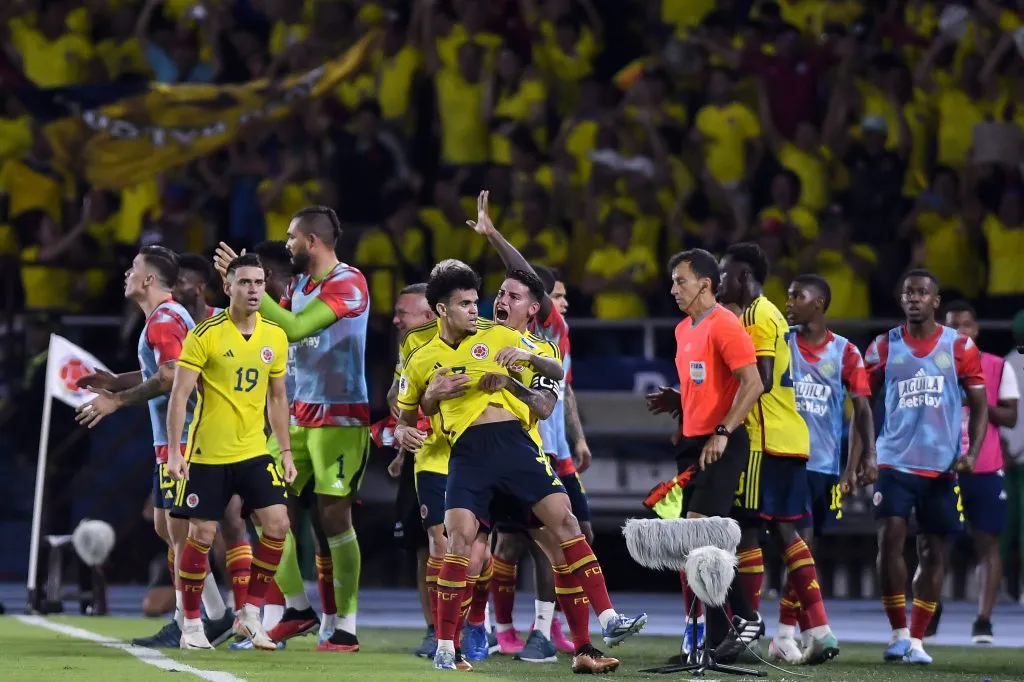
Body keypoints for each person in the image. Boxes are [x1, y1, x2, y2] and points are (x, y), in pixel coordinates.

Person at [394, 265, 646, 671]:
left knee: (565, 530)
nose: (483, 307)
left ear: (531, 308)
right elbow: (404, 420)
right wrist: (423, 406)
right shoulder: (421, 355)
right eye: (470, 302)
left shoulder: (508, 339)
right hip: (466, 455)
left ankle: (601, 627)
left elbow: (556, 375)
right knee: (458, 546)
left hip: (516, 447)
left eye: (483, 300)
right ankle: (447, 645)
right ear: (442, 309)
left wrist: (520, 365)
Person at [215, 206, 370, 651]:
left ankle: (346, 624)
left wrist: (252, 285)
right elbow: (270, 328)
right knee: (269, 512)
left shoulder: (350, 283)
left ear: (313, 242)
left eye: (291, 238)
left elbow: (298, 328)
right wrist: (236, 292)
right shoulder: (301, 284)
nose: (286, 245)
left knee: (334, 517)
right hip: (298, 416)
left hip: (341, 418)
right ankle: (299, 609)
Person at [73, 245, 234, 647]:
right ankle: (214, 614)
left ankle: (196, 621)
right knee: (169, 529)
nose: (126, 274)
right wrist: (115, 380)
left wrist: (118, 402)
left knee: (184, 534)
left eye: (133, 268)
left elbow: (171, 376)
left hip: (184, 441)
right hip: (170, 441)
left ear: (148, 280)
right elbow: (157, 371)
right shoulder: (165, 317)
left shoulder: (163, 319)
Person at [468, 191, 593, 660]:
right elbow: (520, 275)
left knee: (568, 536)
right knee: (510, 542)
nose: (559, 302)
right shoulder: (504, 330)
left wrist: (578, 436)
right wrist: (495, 235)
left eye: (558, 295)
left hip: (553, 448)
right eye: (553, 295)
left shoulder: (552, 337)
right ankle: (499, 627)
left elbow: (566, 391)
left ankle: (549, 626)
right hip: (517, 446)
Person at [715, 243, 838, 664]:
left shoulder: (756, 315)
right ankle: (819, 630)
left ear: (744, 275)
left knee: (746, 532)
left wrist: (723, 423)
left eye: (723, 274)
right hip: (790, 437)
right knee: (789, 535)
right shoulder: (769, 313)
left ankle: (745, 635)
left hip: (764, 439)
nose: (718, 282)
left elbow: (761, 380)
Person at [165, 253, 295, 650]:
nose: (253, 289)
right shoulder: (206, 333)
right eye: (245, 283)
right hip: (208, 452)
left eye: (259, 282)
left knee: (278, 525)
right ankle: (190, 624)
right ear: (229, 287)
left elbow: (277, 398)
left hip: (253, 450)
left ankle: (249, 614)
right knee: (201, 534)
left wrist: (285, 452)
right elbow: (180, 394)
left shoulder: (275, 335)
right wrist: (175, 450)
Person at [645, 248, 764, 659]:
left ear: (706, 284)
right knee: (699, 548)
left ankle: (746, 617)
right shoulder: (683, 330)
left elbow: (752, 384)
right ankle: (714, 640)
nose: (673, 288)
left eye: (681, 281)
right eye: (674, 281)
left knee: (697, 535)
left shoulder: (725, 325)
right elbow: (706, 386)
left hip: (723, 445)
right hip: (694, 445)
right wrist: (680, 409)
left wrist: (722, 432)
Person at [864, 269, 988, 665]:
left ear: (936, 301)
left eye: (922, 293)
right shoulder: (883, 347)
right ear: (901, 300)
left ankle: (918, 639)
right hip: (894, 460)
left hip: (942, 467)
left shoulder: (959, 347)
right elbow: (862, 403)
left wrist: (972, 452)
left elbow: (981, 405)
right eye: (907, 293)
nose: (914, 298)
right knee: (889, 543)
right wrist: (865, 454)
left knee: (934, 552)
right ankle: (898, 633)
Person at [773, 274, 875, 662]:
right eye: (789, 293)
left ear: (819, 304)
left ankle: (787, 632)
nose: (789, 300)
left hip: (826, 467)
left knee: (807, 550)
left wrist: (864, 460)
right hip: (786, 459)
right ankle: (787, 632)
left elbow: (861, 410)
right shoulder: (781, 343)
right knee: (798, 545)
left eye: (797, 295)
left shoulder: (846, 352)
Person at [941, 301, 1018, 644]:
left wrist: (976, 398)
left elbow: (1012, 417)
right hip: (942, 468)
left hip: (985, 467)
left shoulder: (998, 367)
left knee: (988, 545)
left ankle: (983, 620)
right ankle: (930, 611)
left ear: (977, 330)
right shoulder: (931, 366)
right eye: (953, 326)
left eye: (966, 325)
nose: (961, 332)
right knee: (935, 546)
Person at [387, 281, 443, 658]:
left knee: (471, 545)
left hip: (457, 456)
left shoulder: (463, 344)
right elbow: (395, 396)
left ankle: (474, 626)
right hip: (418, 457)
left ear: (429, 316)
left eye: (402, 313)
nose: (395, 320)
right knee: (423, 547)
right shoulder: (408, 350)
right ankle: (432, 627)